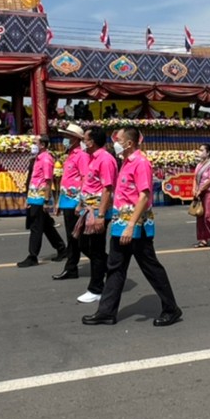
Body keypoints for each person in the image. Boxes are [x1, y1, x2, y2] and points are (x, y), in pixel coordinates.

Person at [82, 127, 182, 327]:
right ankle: (106, 312)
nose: (115, 143)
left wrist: (130, 226)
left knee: (150, 267)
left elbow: (144, 196)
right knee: (115, 268)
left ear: (129, 143)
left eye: (118, 140)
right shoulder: (125, 162)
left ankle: (171, 309)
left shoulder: (141, 163)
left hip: (136, 227)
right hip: (120, 225)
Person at [74, 126, 119, 306]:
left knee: (96, 248)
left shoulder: (105, 159)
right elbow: (89, 183)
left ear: (92, 142)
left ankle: (96, 289)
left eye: (85, 139)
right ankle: (109, 269)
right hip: (88, 209)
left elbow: (107, 189)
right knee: (84, 244)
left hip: (98, 211)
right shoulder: (92, 158)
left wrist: (101, 215)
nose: (83, 142)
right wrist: (80, 204)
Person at [19, 133, 68, 267]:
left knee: (36, 227)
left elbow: (48, 181)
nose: (33, 145)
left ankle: (32, 256)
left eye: (35, 142)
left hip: (40, 198)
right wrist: (28, 198)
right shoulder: (37, 158)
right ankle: (61, 248)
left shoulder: (46, 159)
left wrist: (46, 201)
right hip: (33, 197)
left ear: (42, 145)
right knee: (46, 226)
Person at [52, 124, 90, 280]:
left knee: (78, 238)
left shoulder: (81, 156)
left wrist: (81, 202)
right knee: (72, 237)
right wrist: (58, 202)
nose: (65, 140)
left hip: (75, 202)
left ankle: (102, 261)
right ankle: (71, 267)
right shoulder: (70, 155)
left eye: (67, 137)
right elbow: (66, 181)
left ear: (75, 139)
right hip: (67, 201)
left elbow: (85, 178)